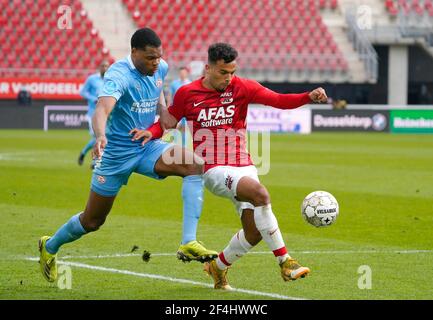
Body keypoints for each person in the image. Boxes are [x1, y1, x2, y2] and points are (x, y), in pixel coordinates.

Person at [131, 43, 328, 290]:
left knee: (254, 232)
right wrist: (150, 132)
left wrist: (307, 97)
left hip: (244, 165)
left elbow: (278, 100)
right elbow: (168, 121)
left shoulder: (242, 87)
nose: (229, 78)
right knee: (261, 194)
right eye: (223, 72)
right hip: (214, 169)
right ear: (208, 68)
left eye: (232, 72)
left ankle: (218, 267)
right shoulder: (187, 93)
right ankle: (286, 262)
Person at [38, 28, 217, 283]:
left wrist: (164, 112)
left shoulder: (161, 67)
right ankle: (50, 245)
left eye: (159, 57)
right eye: (150, 58)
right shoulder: (118, 75)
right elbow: (102, 110)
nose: (156, 62)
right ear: (134, 52)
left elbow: (158, 93)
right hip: (116, 155)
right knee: (92, 220)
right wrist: (100, 136)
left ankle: (188, 242)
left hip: (146, 146)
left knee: (194, 164)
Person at [78, 60, 110, 168]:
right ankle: (94, 160)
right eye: (103, 66)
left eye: (106, 66)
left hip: (106, 114)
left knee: (100, 137)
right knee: (97, 137)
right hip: (92, 113)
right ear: (99, 67)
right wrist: (93, 99)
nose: (105, 68)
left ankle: (84, 154)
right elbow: (82, 92)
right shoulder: (92, 79)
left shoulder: (109, 80)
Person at [166, 66, 191, 148]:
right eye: (181, 73)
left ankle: (183, 146)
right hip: (176, 109)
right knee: (174, 127)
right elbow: (170, 95)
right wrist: (168, 106)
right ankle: (174, 144)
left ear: (186, 73)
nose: (182, 74)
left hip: (186, 110)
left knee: (183, 128)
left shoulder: (190, 83)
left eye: (184, 73)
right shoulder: (174, 83)